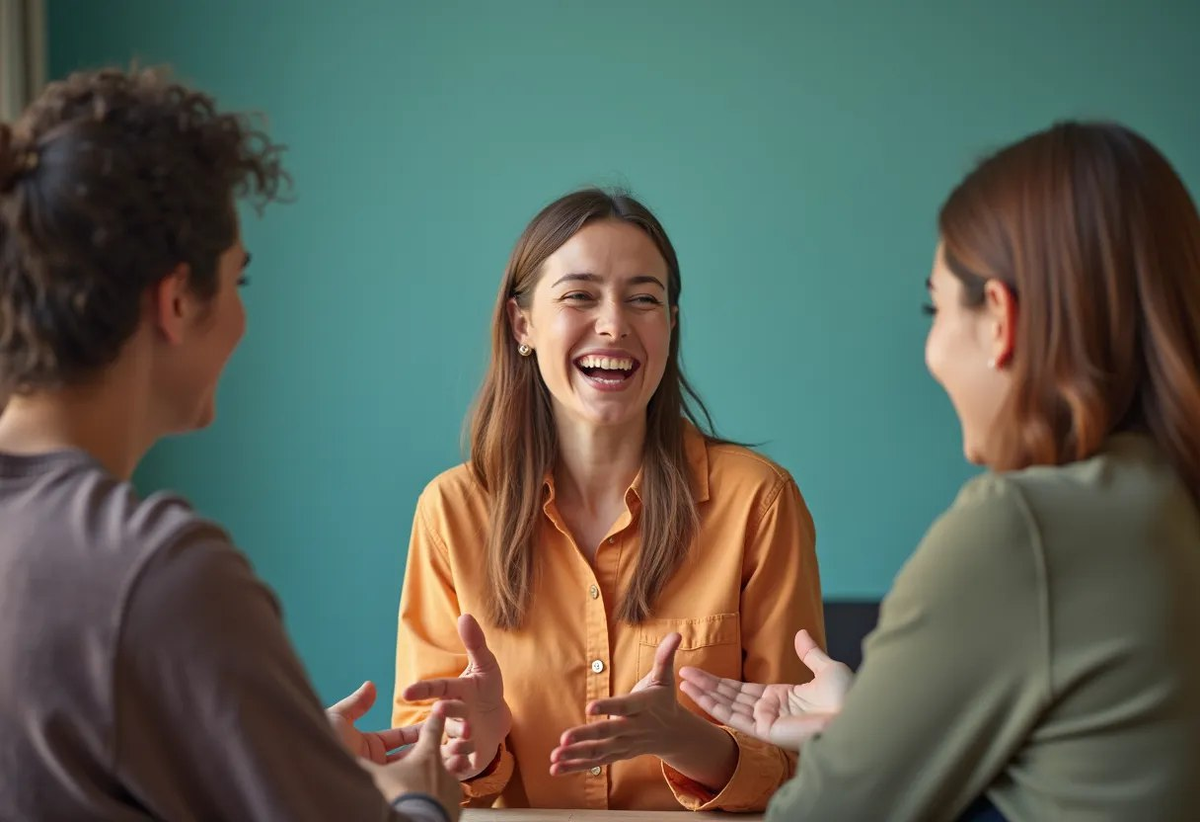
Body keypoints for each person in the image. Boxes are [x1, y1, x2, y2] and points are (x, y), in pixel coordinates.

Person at [680, 121, 1200, 821]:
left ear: (1000, 320)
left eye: (937, 306)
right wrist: (873, 716)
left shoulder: (1023, 529)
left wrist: (848, 749)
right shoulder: (1165, 505)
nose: (929, 349)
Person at [0, 67, 467, 821]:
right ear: (178, 300)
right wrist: (417, 800)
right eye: (238, 282)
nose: (246, 323)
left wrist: (276, 754)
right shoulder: (158, 578)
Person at [392, 188, 824, 811]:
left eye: (644, 299)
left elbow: (807, 765)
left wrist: (689, 741)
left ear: (670, 326)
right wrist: (476, 749)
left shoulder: (759, 501)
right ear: (523, 325)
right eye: (579, 295)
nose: (615, 324)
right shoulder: (451, 511)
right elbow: (418, 761)